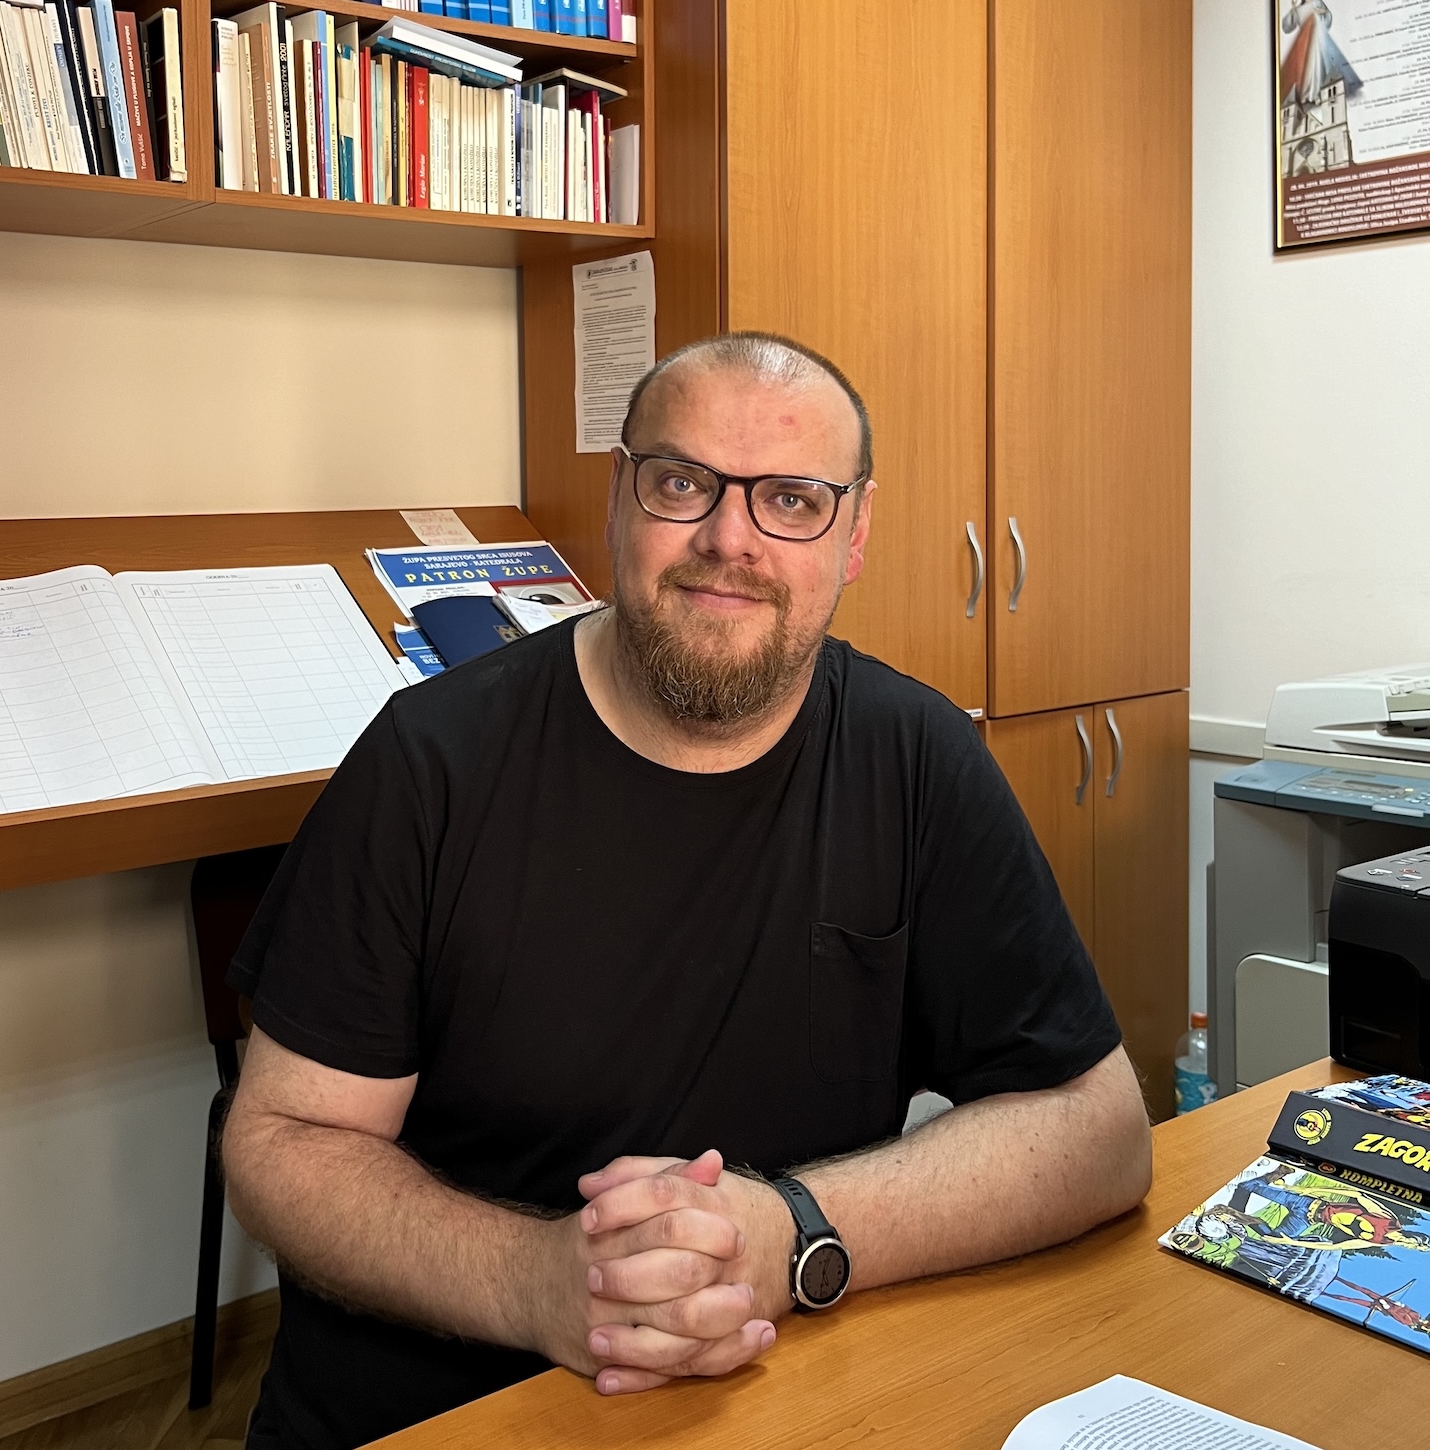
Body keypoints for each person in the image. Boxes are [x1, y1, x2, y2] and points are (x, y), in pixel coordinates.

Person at [222, 332, 1154, 1448]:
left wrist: (792, 1232)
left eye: (793, 501)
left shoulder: (917, 759)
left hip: (772, 1398)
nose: (729, 540)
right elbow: (283, 1140)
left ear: (854, 533)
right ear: (620, 495)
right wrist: (535, 1282)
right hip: (436, 1410)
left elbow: (1100, 1130)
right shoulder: (432, 762)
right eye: (682, 483)